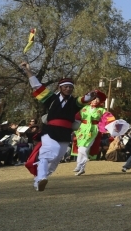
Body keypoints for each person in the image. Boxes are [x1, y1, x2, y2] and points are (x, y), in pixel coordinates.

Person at [20, 61, 96, 191]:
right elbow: (37, 85)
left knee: (55, 160)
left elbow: (83, 99)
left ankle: (39, 180)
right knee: (49, 152)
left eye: (70, 87)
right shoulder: (50, 98)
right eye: (65, 86)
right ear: (60, 88)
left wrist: (90, 96)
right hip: (50, 131)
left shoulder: (74, 102)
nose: (68, 89)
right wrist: (28, 70)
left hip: (65, 133)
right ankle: (42, 177)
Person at [73, 91, 107, 176]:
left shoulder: (102, 110)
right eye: (94, 98)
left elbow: (108, 119)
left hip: (93, 129)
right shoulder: (84, 108)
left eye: (97, 99)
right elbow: (76, 117)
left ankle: (80, 164)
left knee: (84, 148)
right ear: (90, 99)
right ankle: (81, 168)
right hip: (82, 129)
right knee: (81, 147)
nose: (95, 100)